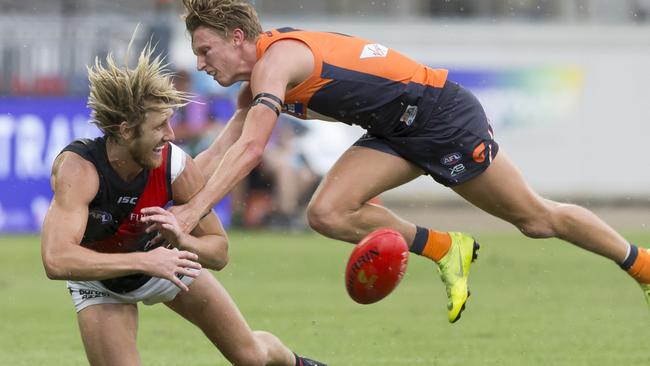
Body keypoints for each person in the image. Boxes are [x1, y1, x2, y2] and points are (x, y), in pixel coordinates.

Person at [172, 0, 650, 323]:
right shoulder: (257, 80)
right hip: (394, 130)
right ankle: (446, 248)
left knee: (536, 219)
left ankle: (641, 264)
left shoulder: (277, 62)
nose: (200, 63)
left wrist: (193, 215)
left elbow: (251, 150)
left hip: (441, 114)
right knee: (327, 213)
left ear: (237, 37)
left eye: (204, 50)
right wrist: (164, 194)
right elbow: (216, 154)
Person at [40, 41, 326, 366]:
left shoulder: (175, 165)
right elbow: (56, 260)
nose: (171, 134)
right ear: (124, 130)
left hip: (167, 266)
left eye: (170, 122)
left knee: (252, 358)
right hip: (103, 282)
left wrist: (182, 239)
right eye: (159, 126)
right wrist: (144, 261)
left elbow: (219, 253)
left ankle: (294, 362)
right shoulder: (80, 169)